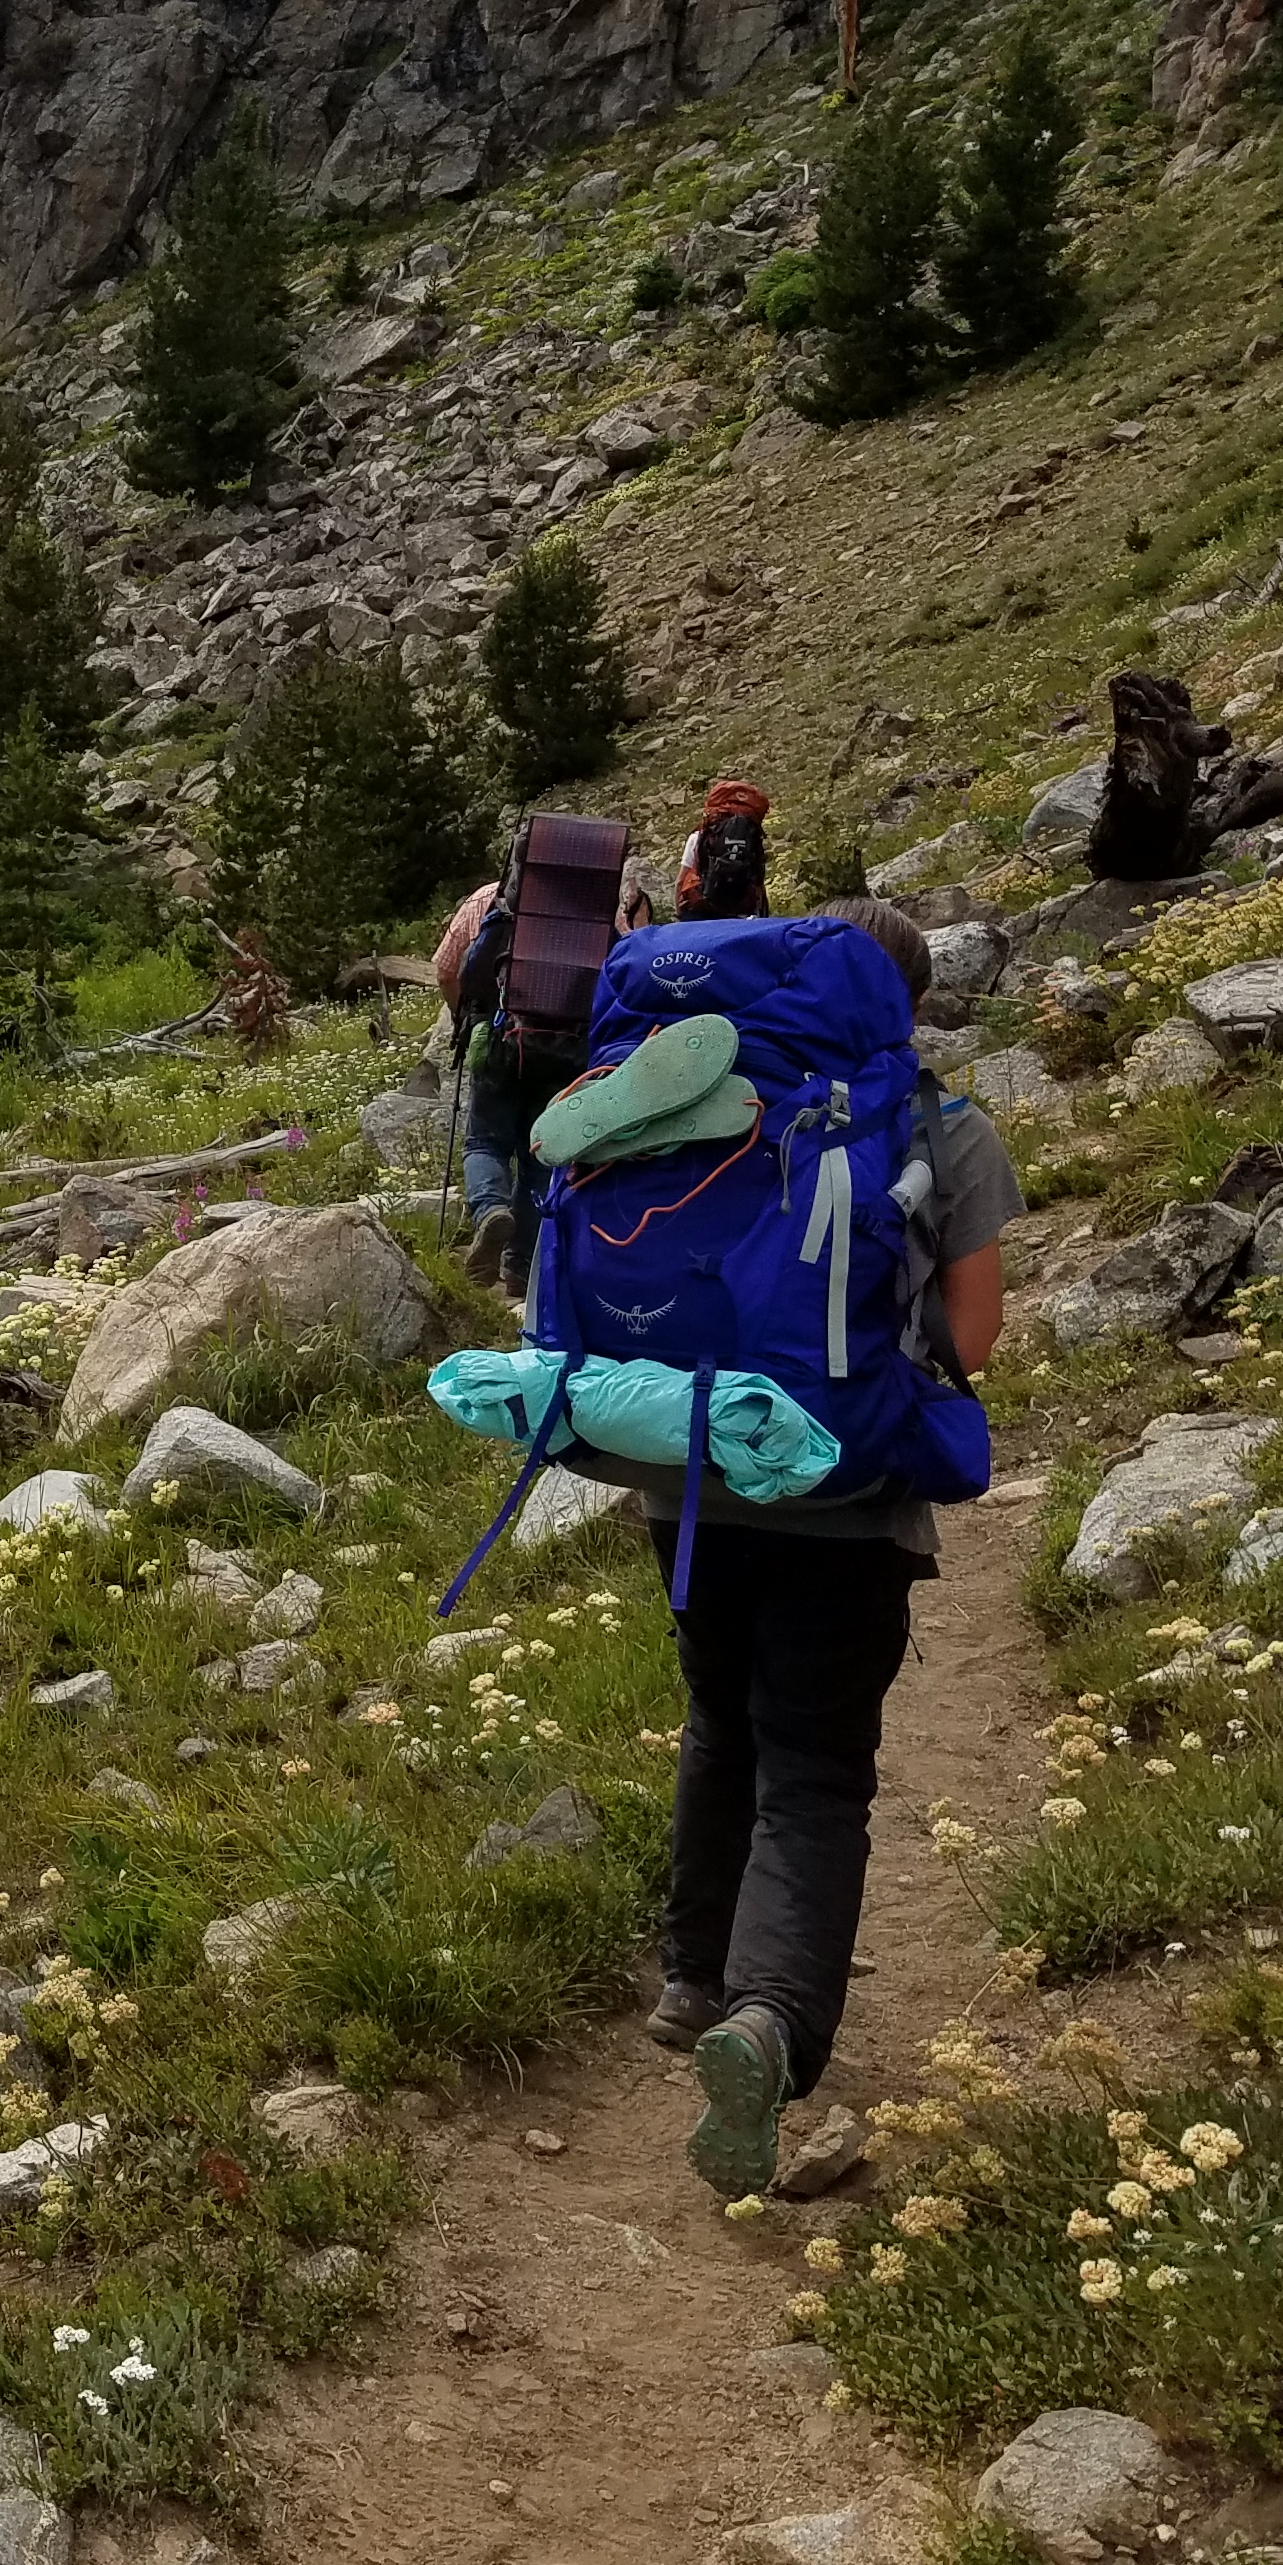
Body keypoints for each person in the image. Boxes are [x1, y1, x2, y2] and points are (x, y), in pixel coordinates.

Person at [649, 896, 1016, 2197]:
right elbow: (969, 1344)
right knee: (814, 1768)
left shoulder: (712, 1103)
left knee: (719, 1720)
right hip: (849, 1505)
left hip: (688, 1482)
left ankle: (692, 1977)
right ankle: (771, 2019)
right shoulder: (942, 1128)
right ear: (908, 1001)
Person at [433, 856, 651, 1295]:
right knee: (539, 1155)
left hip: (500, 1043)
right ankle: (520, 1268)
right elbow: (622, 969)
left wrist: (465, 1017)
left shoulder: (487, 901)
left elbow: (446, 968)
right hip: (566, 1052)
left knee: (485, 1141)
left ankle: (491, 1209)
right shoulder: (594, 914)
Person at [672, 779, 773, 920]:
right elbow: (758, 880)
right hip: (740, 911)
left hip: (702, 908)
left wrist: (679, 914)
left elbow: (680, 882)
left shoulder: (699, 837)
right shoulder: (750, 837)